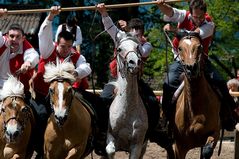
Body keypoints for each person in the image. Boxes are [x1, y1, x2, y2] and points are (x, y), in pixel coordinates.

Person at [156, 0, 238, 132]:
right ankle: (165, 116)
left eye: (201, 16)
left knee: (220, 81)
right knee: (168, 82)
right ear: (191, 14)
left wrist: (173, 29)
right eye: (196, 17)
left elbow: (193, 35)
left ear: (205, 14)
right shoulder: (184, 15)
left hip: (201, 60)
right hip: (180, 60)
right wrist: (160, 5)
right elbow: (170, 11)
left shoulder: (209, 25)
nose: (199, 19)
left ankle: (229, 114)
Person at [96, 3, 165, 151]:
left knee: (152, 101)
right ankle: (101, 133)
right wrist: (103, 13)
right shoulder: (120, 37)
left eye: (138, 34)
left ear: (142, 34)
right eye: (133, 32)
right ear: (129, 30)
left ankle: (155, 129)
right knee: (103, 100)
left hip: (136, 81)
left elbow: (141, 52)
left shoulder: (146, 45)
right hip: (116, 80)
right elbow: (109, 27)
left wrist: (131, 36)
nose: (135, 35)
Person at [30, 6, 91, 158]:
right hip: (43, 95)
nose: (66, 50)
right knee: (40, 117)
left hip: (65, 97)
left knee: (93, 107)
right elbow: (43, 35)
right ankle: (39, 149)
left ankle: (93, 140)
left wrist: (76, 73)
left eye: (69, 47)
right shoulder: (48, 50)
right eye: (63, 46)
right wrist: (51, 16)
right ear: (57, 43)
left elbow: (86, 67)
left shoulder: (75, 56)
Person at [0, 8, 39, 102]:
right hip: (0, 88)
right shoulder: (2, 42)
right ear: (6, 36)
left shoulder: (27, 47)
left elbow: (33, 56)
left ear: (23, 38)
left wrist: (27, 63)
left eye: (18, 37)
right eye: (12, 36)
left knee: (40, 113)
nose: (14, 39)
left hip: (20, 91)